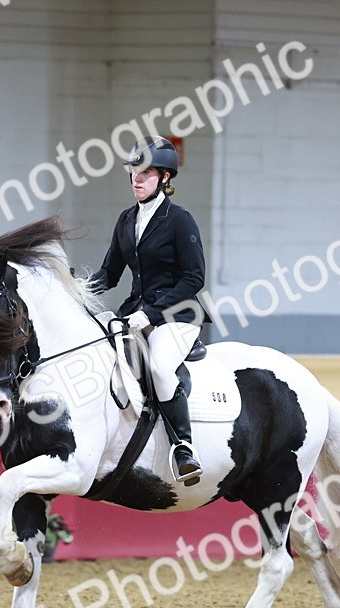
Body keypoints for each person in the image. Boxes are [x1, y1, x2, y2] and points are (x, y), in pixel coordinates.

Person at [90, 136, 206, 486]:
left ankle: (184, 447)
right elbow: (110, 274)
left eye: (147, 172)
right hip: (134, 313)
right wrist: (76, 290)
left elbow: (194, 278)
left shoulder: (179, 220)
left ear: (165, 178)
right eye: (133, 173)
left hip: (177, 316)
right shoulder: (126, 220)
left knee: (157, 365)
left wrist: (153, 313)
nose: (137, 179)